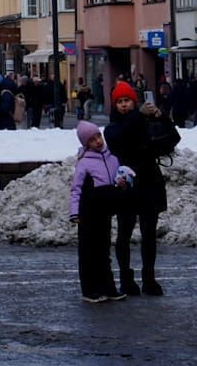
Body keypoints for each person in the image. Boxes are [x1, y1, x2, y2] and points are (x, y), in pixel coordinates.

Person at [104, 81, 179, 297]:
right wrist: (138, 115)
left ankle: (149, 279)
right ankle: (126, 280)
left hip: (149, 182)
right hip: (126, 185)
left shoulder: (145, 123)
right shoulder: (114, 127)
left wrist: (161, 117)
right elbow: (119, 139)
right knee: (124, 234)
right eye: (120, 102)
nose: (124, 105)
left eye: (127, 101)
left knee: (149, 235)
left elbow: (172, 140)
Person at [69, 119, 123, 303]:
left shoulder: (112, 158)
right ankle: (90, 289)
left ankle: (108, 287)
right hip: (88, 211)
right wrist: (74, 212)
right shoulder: (84, 163)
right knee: (88, 252)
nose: (98, 141)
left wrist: (121, 184)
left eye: (98, 136)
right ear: (86, 144)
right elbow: (76, 189)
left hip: (104, 210)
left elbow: (116, 180)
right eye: (92, 139)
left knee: (104, 250)